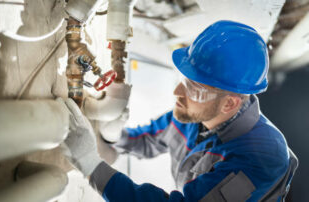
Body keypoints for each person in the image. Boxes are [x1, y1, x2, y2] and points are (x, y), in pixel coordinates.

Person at [59, 20, 298, 201]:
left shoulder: (262, 157)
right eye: (184, 80)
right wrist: (110, 131)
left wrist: (89, 163)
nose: (177, 93)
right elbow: (146, 140)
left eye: (194, 88)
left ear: (230, 104)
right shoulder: (193, 116)